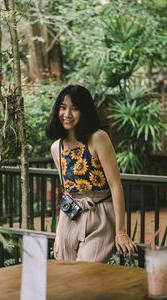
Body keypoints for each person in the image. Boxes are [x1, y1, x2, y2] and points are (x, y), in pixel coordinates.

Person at [46, 85, 137, 262]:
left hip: (100, 214)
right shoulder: (57, 147)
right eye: (63, 108)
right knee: (67, 277)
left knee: (85, 274)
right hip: (70, 217)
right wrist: (58, 234)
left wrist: (121, 232)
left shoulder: (98, 138)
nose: (67, 114)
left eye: (75, 108)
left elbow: (115, 185)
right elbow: (66, 192)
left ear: (84, 111)